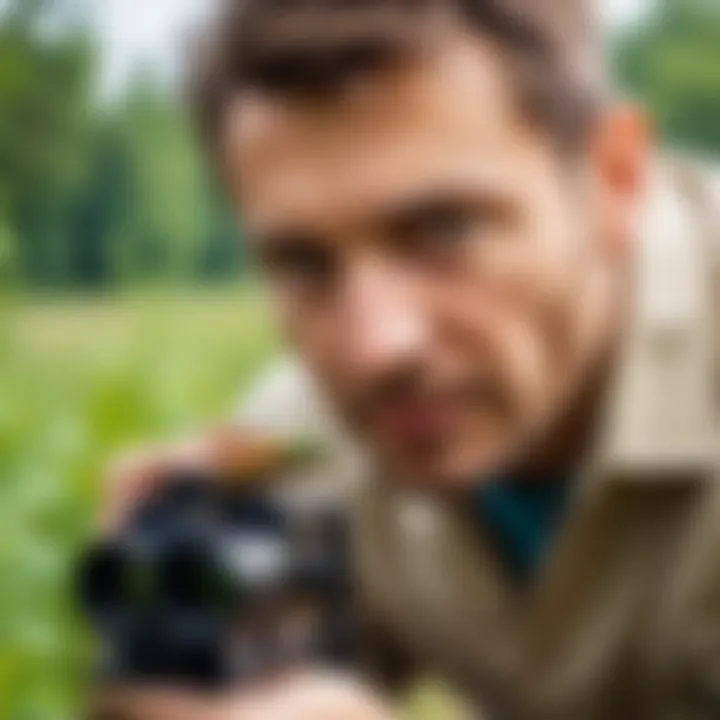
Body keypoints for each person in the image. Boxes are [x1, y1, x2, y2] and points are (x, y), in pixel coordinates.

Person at [94, 0, 720, 718]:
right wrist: (160, 667)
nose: (375, 348)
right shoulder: (294, 446)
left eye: (443, 231)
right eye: (303, 264)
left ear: (615, 180)